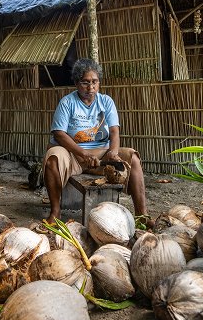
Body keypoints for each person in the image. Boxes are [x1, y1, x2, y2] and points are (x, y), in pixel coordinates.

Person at [41, 58, 150, 226]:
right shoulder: (67, 103)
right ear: (77, 83)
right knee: (53, 158)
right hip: (73, 155)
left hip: (102, 155)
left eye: (94, 82)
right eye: (85, 82)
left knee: (132, 157)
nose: (90, 88)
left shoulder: (106, 101)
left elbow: (114, 131)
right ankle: (55, 212)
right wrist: (82, 153)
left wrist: (113, 152)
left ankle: (142, 216)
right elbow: (59, 134)